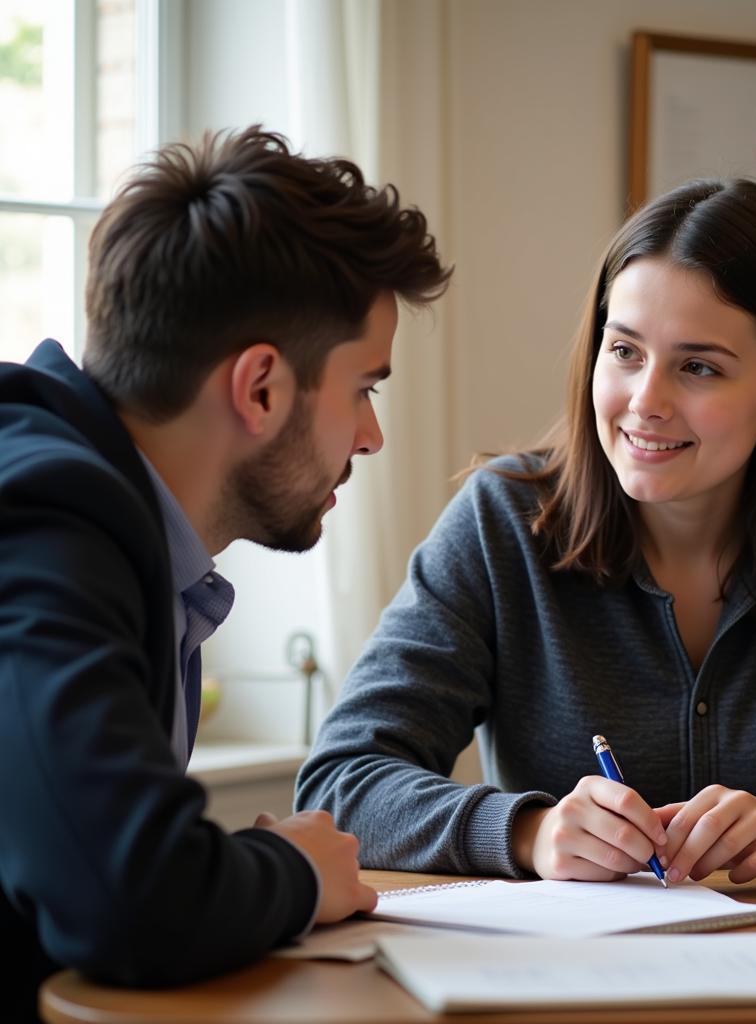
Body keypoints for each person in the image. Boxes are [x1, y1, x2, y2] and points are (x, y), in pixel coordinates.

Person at [297, 178, 756, 889]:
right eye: (624, 352)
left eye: (699, 367)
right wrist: (530, 832)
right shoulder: (501, 523)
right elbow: (339, 786)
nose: (645, 403)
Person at [0, 125, 450, 1020]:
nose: (372, 435)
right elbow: (129, 898)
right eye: (366, 387)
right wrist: (291, 872)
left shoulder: (118, 531)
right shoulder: (45, 522)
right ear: (259, 388)